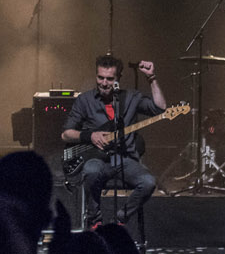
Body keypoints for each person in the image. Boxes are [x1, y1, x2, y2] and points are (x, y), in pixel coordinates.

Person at [61, 54, 167, 228]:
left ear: (118, 78)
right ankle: (95, 221)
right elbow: (66, 134)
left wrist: (151, 77)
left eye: (109, 79)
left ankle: (119, 221)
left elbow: (160, 108)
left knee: (148, 182)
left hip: (124, 159)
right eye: (100, 77)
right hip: (96, 159)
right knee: (91, 170)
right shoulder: (85, 100)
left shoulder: (131, 97)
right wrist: (90, 136)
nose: (104, 83)